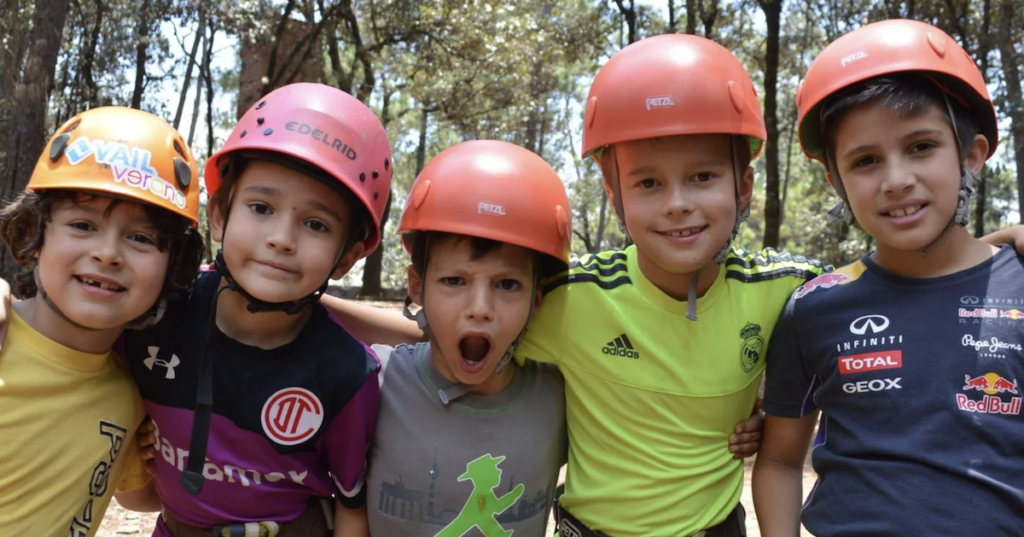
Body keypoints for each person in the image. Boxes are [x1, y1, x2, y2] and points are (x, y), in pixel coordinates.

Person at [753, 19, 1024, 536]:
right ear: (836, 181)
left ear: (971, 156)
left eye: (921, 146)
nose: (896, 180)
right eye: (866, 161)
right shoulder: (813, 309)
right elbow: (781, 460)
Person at [114, 83, 392, 537]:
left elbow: (351, 507)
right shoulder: (153, 317)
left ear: (346, 257)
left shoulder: (346, 375)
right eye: (261, 207)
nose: (282, 238)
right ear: (220, 214)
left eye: (316, 224)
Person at [0, 106, 204, 537]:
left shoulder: (129, 392)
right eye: (81, 224)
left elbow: (137, 496)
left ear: (175, 267)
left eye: (141, 238)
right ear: (34, 234)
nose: (108, 253)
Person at [365, 140, 570, 536]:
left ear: (537, 300)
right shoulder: (375, 382)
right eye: (454, 281)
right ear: (417, 286)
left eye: (507, 284)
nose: (480, 308)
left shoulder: (562, 395)